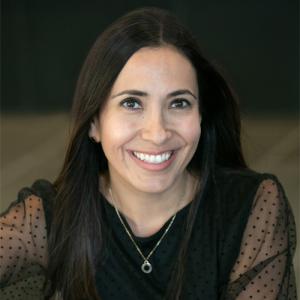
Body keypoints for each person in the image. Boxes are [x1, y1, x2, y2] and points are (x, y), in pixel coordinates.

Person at [0, 7, 297, 300]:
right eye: (132, 103)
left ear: (201, 115)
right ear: (94, 123)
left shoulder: (249, 208)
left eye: (179, 103)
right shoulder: (50, 216)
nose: (157, 133)